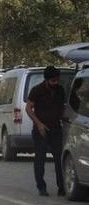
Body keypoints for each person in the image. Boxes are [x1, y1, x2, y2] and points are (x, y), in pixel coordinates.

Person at [26, 66, 67, 196]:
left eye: (57, 80)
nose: (56, 83)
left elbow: (63, 108)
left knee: (59, 158)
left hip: (56, 128)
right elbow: (28, 108)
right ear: (47, 80)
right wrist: (39, 124)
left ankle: (62, 187)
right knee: (40, 158)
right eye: (53, 81)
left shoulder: (60, 90)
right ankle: (41, 187)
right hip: (41, 129)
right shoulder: (37, 90)